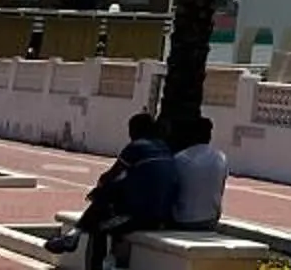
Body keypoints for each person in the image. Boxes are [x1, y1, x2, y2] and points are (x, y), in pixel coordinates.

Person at [45, 111, 178, 268]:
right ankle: (74, 235)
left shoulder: (136, 148)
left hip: (143, 217)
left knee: (98, 227)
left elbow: (109, 176)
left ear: (135, 130)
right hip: (164, 212)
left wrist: (100, 190)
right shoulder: (164, 148)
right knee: (109, 193)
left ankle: (80, 244)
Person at [170, 114, 229, 234]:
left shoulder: (179, 159)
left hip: (182, 220)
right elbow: (221, 189)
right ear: (210, 135)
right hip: (210, 219)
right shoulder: (221, 158)